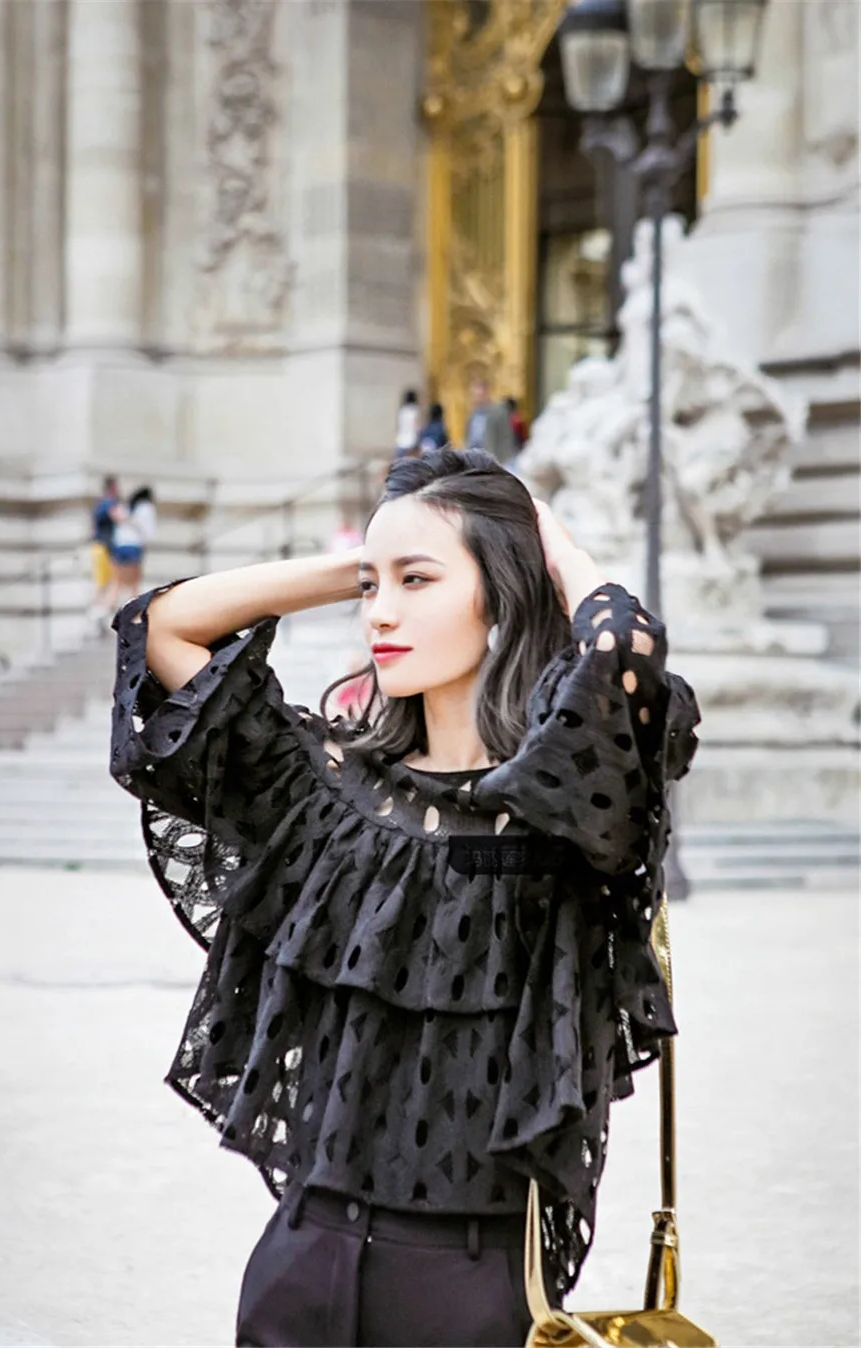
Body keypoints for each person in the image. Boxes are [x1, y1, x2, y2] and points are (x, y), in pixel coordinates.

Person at [109, 448, 700, 1348]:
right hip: (300, 1267)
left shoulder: (561, 825)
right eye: (371, 589)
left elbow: (625, 660)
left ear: (502, 595)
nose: (380, 612)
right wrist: (370, 560)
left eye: (418, 581)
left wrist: (556, 553)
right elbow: (163, 626)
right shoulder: (323, 798)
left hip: (470, 1292)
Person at [108, 486, 157, 610]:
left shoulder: (126, 507)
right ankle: (134, 612)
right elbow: (149, 531)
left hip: (119, 546)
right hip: (134, 546)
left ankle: (104, 610)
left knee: (116, 582)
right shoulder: (146, 508)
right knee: (135, 584)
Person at [88, 475, 119, 625]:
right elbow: (118, 518)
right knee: (108, 582)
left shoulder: (98, 504)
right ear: (113, 487)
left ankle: (98, 611)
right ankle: (99, 613)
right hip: (105, 547)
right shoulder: (109, 503)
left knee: (102, 581)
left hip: (97, 546)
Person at [464, 377, 516, 464]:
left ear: (487, 392)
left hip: (493, 461)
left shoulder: (499, 412)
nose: (477, 396)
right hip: (474, 461)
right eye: (475, 393)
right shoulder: (472, 415)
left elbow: (506, 440)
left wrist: (502, 462)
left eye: (480, 392)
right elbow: (469, 439)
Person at [394, 389, 421, 459]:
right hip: (412, 441)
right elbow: (417, 427)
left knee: (399, 462)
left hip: (400, 441)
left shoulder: (401, 411)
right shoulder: (415, 410)